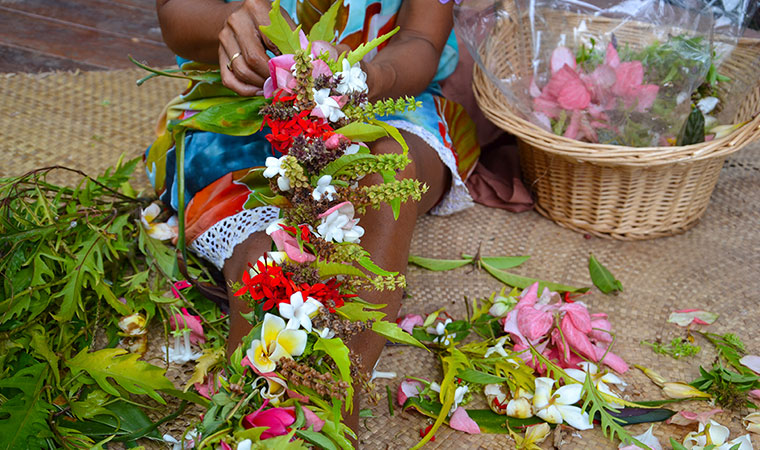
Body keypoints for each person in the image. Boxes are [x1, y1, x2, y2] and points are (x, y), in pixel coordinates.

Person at [148, 0, 480, 435]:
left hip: (385, 97)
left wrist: (363, 79)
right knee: (263, 262)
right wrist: (232, 26)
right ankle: (263, 414)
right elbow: (177, 14)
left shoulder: (375, 89)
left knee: (388, 166)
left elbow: (420, 40)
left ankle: (335, 406)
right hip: (240, 107)